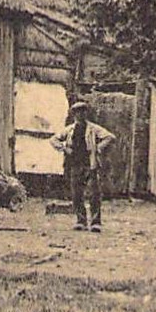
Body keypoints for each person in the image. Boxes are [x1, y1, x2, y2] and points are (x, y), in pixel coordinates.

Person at [53, 99, 115, 231]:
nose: (80, 115)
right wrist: (64, 148)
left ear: (86, 113)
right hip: (75, 164)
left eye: (83, 112)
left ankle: (95, 222)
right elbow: (54, 139)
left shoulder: (93, 129)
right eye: (77, 112)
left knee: (94, 194)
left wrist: (98, 147)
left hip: (90, 164)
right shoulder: (69, 130)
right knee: (77, 194)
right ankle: (80, 221)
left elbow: (110, 137)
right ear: (74, 114)